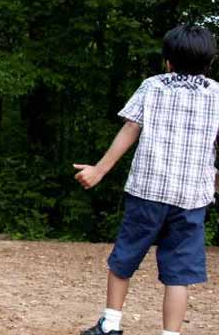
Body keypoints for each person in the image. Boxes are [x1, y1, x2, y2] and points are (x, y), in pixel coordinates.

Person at [73, 24, 218, 335]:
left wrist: (99, 170)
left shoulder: (152, 87)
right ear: (209, 62)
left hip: (147, 193)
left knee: (122, 259)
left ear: (168, 60)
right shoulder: (218, 94)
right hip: (191, 199)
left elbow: (130, 129)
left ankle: (110, 325)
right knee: (178, 276)